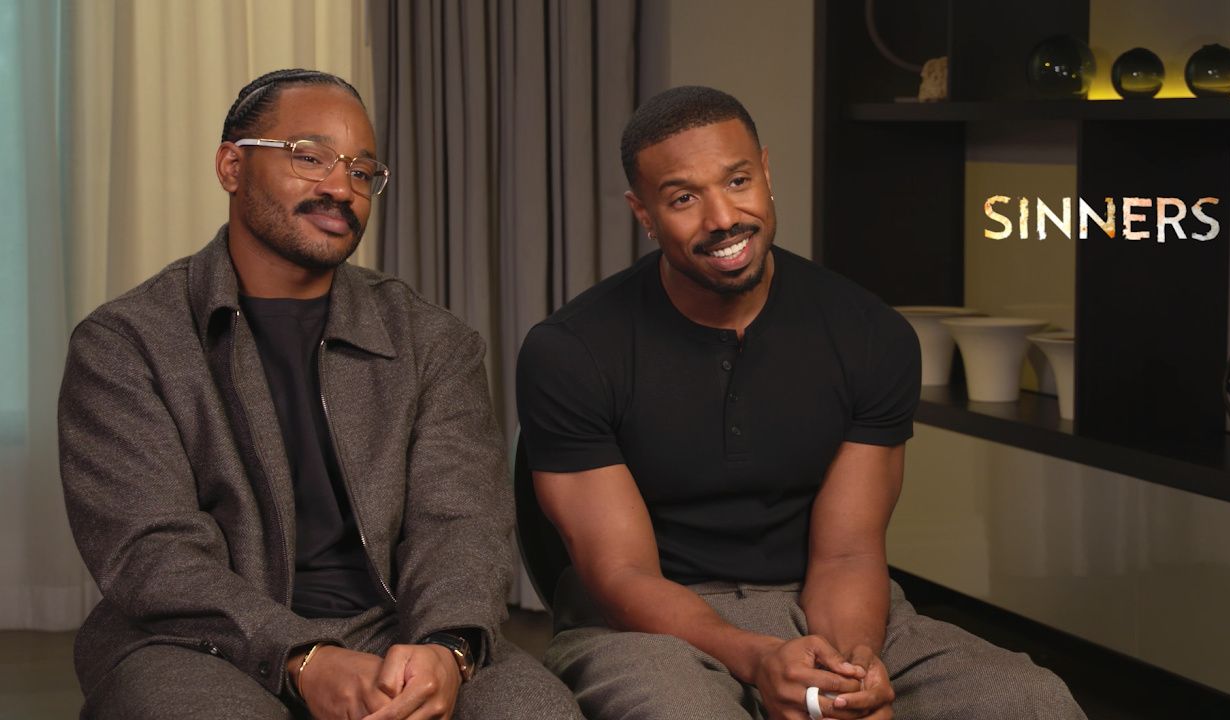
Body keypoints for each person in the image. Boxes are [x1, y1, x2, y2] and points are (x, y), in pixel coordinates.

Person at [516, 85, 1085, 720]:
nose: (722, 218)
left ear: (765, 170)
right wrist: (757, 658)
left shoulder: (869, 334)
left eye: (737, 181)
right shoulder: (571, 351)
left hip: (825, 601)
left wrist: (847, 674)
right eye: (683, 198)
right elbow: (622, 577)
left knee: (1031, 700)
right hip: (648, 627)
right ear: (643, 213)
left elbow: (848, 552)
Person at [59, 68, 583, 720]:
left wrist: (446, 647)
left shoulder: (432, 340)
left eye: (363, 172)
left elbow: (462, 524)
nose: (341, 188)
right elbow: (151, 555)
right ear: (231, 166)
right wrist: (301, 656)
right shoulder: (126, 343)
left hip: (395, 627)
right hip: (195, 640)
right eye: (310, 158)